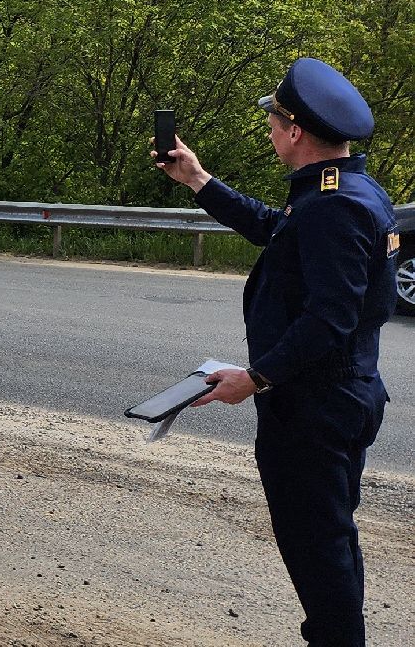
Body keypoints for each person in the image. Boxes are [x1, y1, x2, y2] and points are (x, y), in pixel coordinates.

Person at [155, 57, 394, 646]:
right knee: (329, 542)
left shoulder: (333, 206)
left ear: (294, 132)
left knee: (319, 550)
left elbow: (329, 321)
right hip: (338, 398)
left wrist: (256, 377)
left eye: (274, 121)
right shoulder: (344, 189)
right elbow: (275, 228)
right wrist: (197, 179)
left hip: (314, 407)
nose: (269, 130)